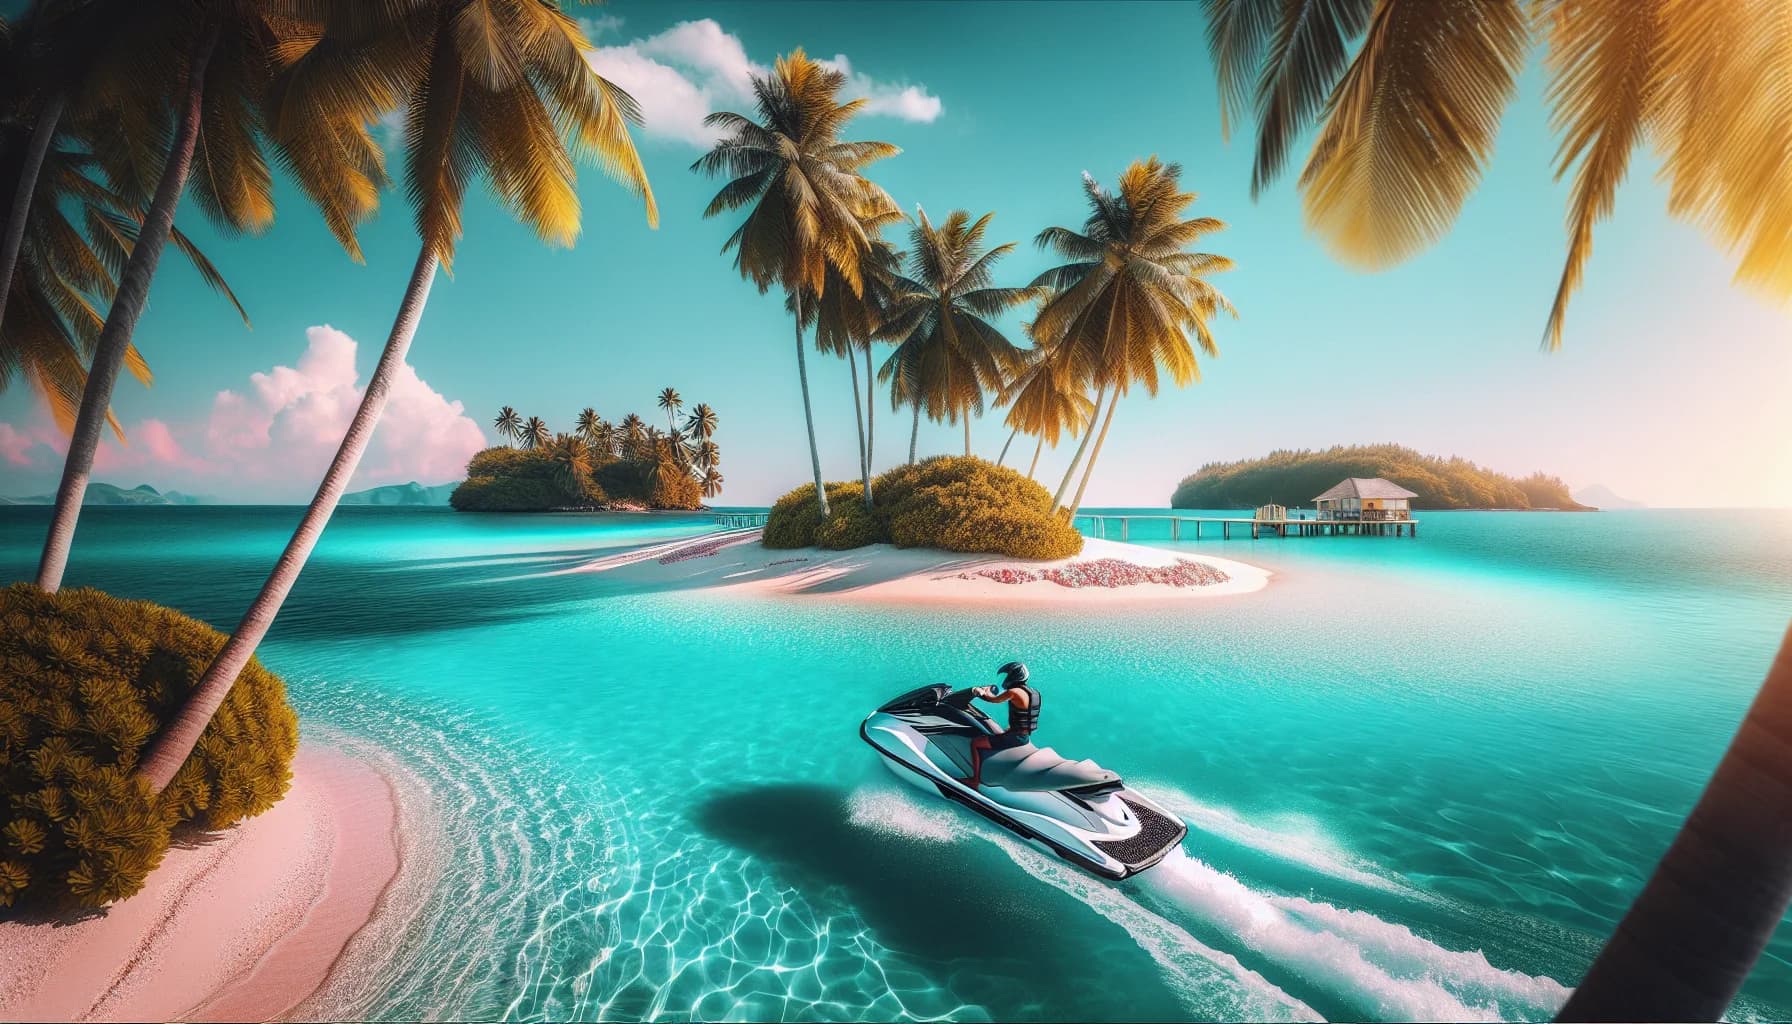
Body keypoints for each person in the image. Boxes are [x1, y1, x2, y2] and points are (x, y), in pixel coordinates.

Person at [963, 661, 1040, 789]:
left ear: (1014, 676)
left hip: (1014, 738)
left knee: (975, 743)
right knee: (995, 732)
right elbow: (1025, 716)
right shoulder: (1034, 693)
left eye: (1009, 675)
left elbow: (992, 699)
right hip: (1023, 737)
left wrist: (981, 691)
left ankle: (974, 780)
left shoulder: (1014, 692)